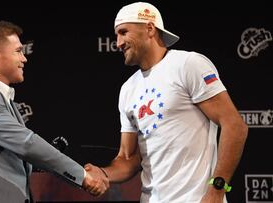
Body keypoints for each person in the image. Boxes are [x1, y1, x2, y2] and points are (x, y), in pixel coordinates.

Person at [85, 2, 248, 203]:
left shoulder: (188, 64)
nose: (118, 42)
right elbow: (128, 159)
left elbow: (235, 126)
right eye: (117, 35)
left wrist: (217, 190)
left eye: (123, 32)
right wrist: (103, 173)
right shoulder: (128, 89)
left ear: (150, 28)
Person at [0, 20, 108, 203]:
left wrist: (36, 163)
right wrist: (83, 176)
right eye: (18, 51)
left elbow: (9, 157)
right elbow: (26, 144)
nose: (24, 58)